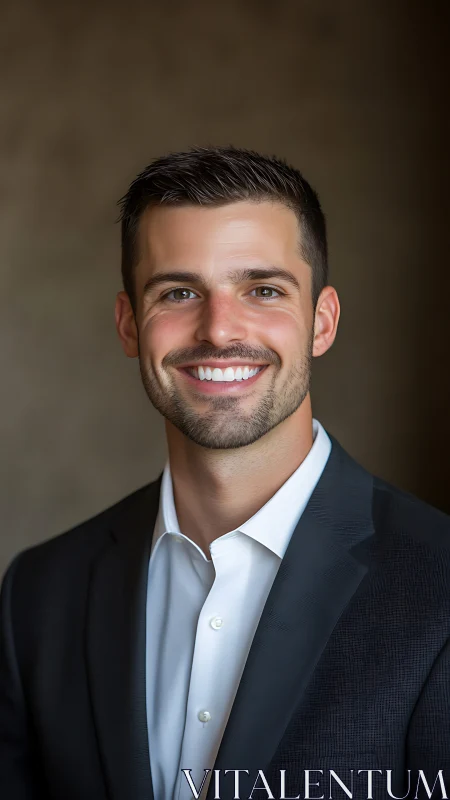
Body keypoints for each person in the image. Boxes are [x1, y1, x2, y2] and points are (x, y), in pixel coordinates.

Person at [1, 146, 449, 800]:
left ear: (321, 322)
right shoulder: (38, 598)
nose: (219, 330)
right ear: (129, 324)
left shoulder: (439, 584)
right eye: (179, 292)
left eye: (262, 290)